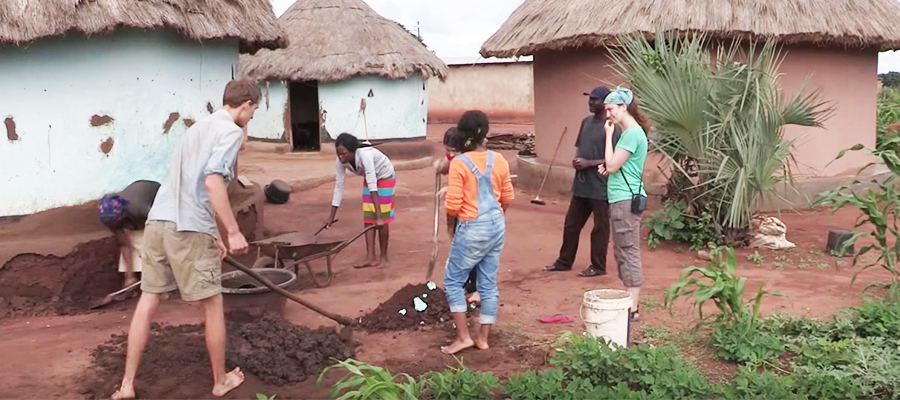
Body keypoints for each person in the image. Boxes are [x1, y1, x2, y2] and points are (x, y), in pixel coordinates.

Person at [111, 79, 258, 400]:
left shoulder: (195, 129)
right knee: (212, 304)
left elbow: (187, 186)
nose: (252, 118)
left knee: (148, 301)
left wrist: (213, 234)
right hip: (187, 229)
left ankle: (126, 386)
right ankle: (220, 382)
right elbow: (211, 181)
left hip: (158, 223)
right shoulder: (230, 132)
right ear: (245, 104)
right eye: (254, 110)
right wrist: (232, 231)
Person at [441, 111, 514, 355]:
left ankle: (463, 337)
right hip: (496, 225)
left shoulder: (459, 163)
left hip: (471, 227)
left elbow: (453, 205)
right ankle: (483, 339)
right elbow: (507, 197)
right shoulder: (500, 159)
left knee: (452, 281)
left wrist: (453, 218)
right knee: (488, 284)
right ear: (487, 132)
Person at [545, 86, 622, 277]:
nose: (590, 102)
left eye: (595, 100)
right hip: (582, 185)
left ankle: (598, 266)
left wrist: (589, 163)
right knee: (571, 225)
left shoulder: (613, 127)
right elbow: (580, 147)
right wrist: (578, 160)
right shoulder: (586, 122)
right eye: (590, 99)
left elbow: (617, 159)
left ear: (605, 103)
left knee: (600, 228)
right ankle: (564, 262)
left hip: (601, 186)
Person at [597, 87, 651, 320]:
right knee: (624, 249)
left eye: (610, 109)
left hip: (624, 200)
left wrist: (608, 136)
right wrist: (609, 166)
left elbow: (612, 165)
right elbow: (617, 166)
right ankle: (631, 302)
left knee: (628, 250)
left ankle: (633, 307)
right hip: (625, 197)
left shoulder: (630, 134)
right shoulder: (633, 133)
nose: (608, 114)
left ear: (623, 107)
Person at [326, 133, 396, 268]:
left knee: (382, 217)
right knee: (369, 217)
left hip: (385, 176)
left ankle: (383, 257)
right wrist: (331, 216)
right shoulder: (340, 162)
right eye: (338, 154)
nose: (341, 157)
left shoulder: (365, 155)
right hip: (371, 180)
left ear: (353, 151)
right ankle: (370, 257)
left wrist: (380, 217)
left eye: (344, 154)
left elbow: (372, 183)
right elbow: (339, 186)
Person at [434, 127, 479, 304]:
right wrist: (442, 166)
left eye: (454, 151)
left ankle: (476, 286)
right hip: (456, 209)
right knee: (458, 245)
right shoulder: (454, 158)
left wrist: (450, 189)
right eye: (448, 150)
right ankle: (467, 282)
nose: (451, 154)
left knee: (471, 248)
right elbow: (449, 166)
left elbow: (473, 183)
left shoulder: (470, 161)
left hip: (470, 210)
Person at [98, 180, 161, 289]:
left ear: (122, 214)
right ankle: (140, 275)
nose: (115, 225)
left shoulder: (139, 208)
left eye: (117, 222)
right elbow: (125, 245)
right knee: (133, 239)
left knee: (152, 242)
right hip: (136, 216)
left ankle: (163, 277)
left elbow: (162, 227)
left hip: (156, 200)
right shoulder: (109, 216)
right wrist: (129, 276)